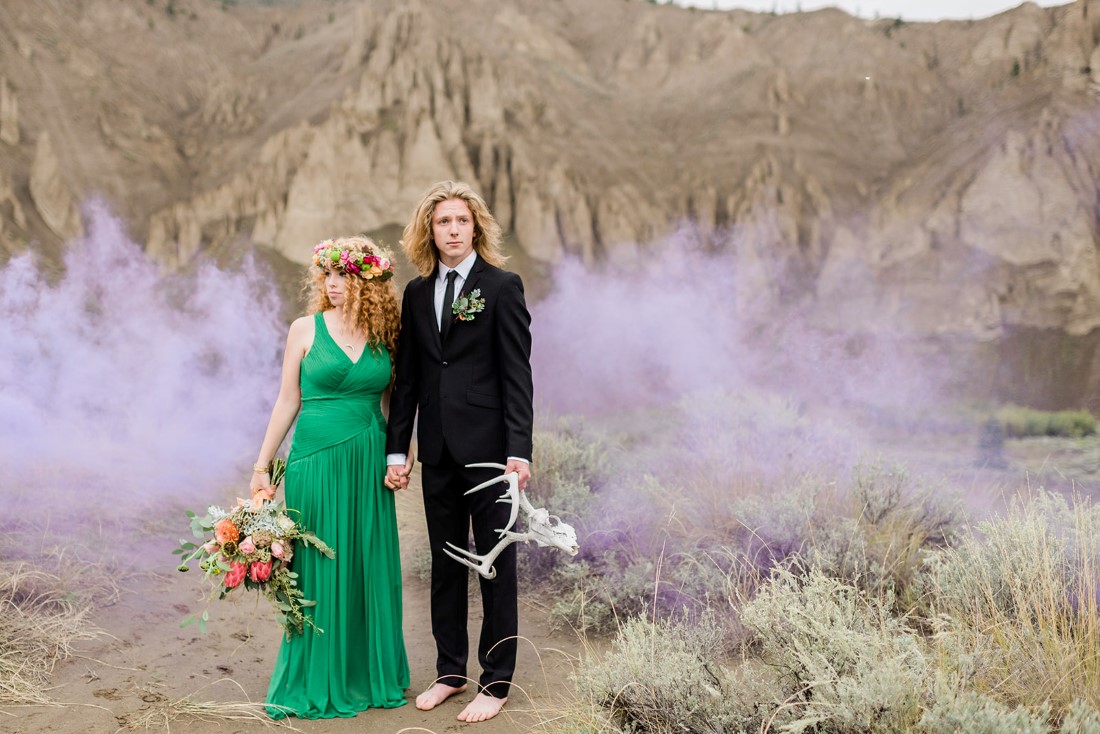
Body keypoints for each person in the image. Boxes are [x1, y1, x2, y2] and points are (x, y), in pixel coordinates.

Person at [385, 180, 534, 723]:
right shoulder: (418, 293)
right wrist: (395, 452)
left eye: (461, 221)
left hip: (491, 453)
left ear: (476, 228)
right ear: (430, 229)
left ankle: (495, 682)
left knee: (494, 565)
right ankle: (451, 671)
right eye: (442, 222)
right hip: (439, 451)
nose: (452, 230)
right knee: (446, 564)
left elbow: (518, 375)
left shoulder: (502, 287)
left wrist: (519, 450)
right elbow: (408, 381)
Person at [250, 236, 410, 718]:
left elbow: (392, 405)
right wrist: (263, 468)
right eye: (329, 276)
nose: (334, 284)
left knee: (366, 562)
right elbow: (287, 401)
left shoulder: (387, 335)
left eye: (345, 276)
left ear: (369, 283)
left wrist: (399, 458)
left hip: (366, 457)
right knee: (318, 566)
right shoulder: (304, 329)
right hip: (314, 460)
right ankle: (316, 675)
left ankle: (366, 673)